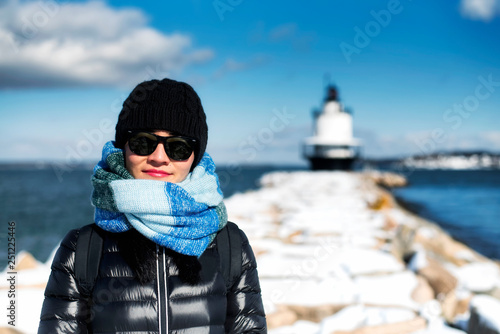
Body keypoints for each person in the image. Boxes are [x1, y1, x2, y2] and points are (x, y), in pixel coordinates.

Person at [38, 78, 267, 333]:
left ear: (195, 156)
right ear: (123, 147)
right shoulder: (81, 249)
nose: (159, 158)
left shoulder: (231, 245)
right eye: (143, 142)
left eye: (178, 147)